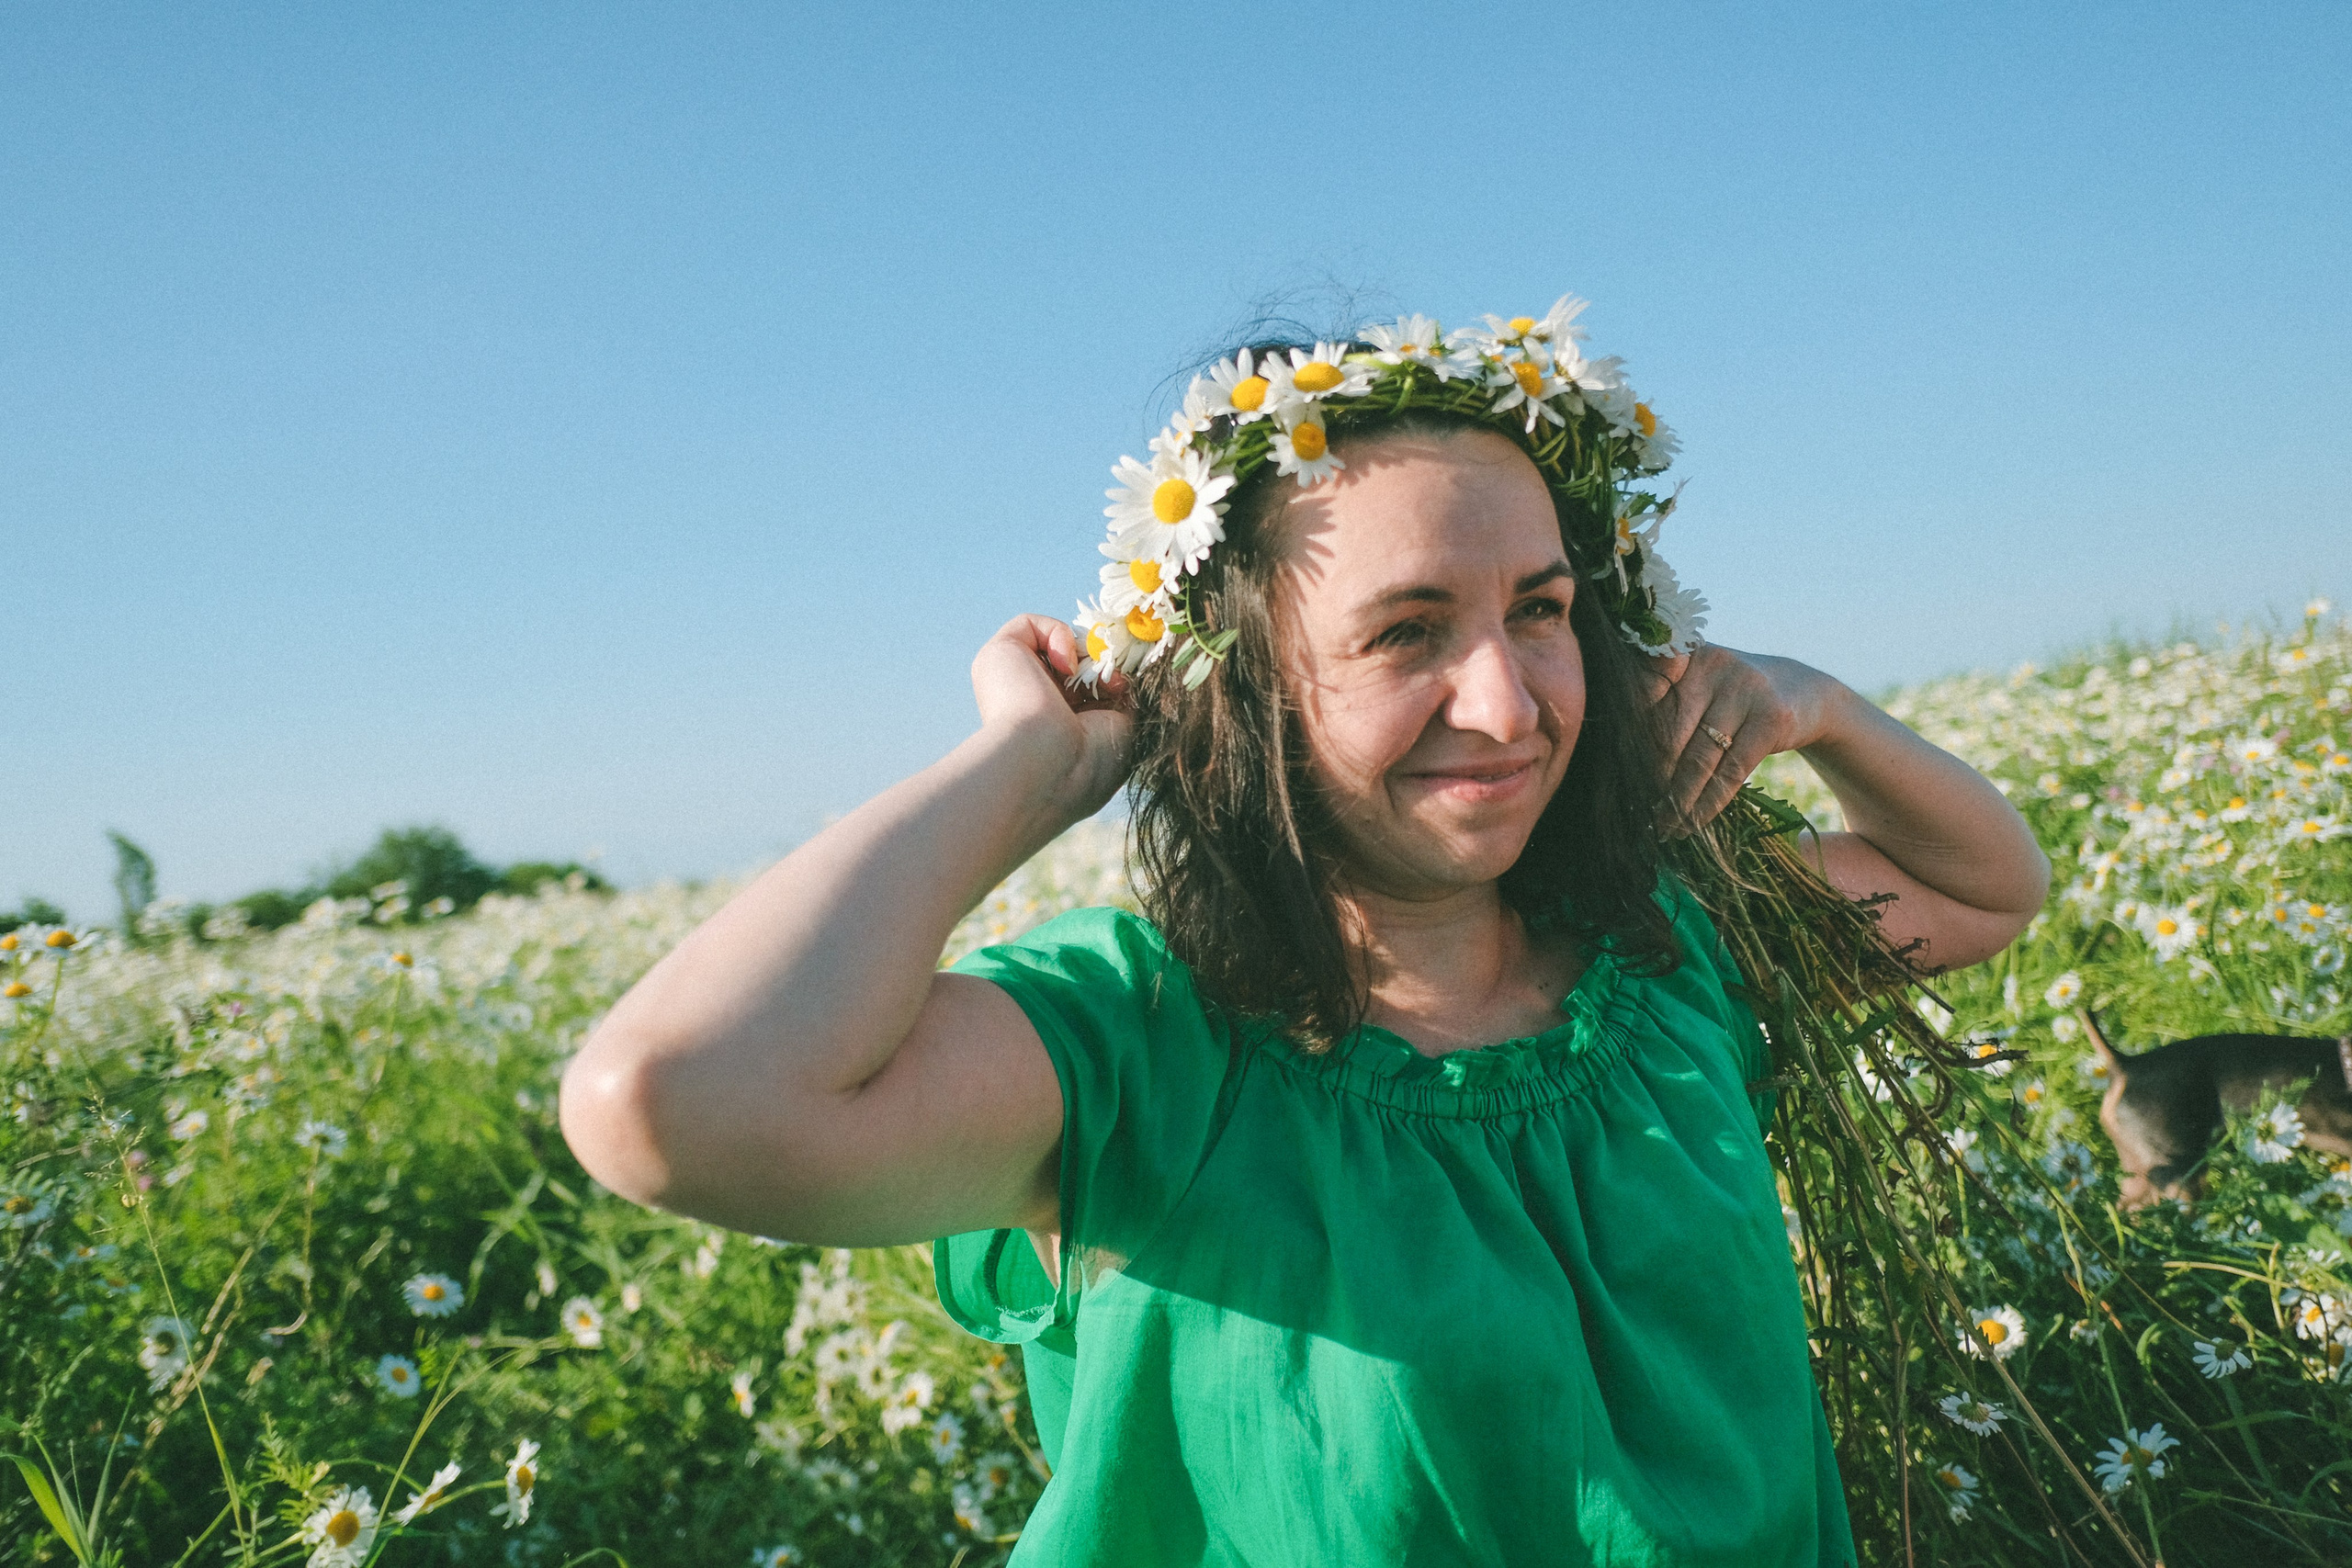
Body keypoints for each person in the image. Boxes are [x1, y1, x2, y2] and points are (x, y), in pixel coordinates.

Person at [560, 299, 2051, 1565]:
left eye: (1541, 611)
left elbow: (1988, 889)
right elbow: (673, 1102)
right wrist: (1031, 772)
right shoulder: (1140, 1050)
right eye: (1407, 633)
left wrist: (1819, 707)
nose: (1513, 705)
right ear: (1249, 689)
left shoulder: (1672, 961)